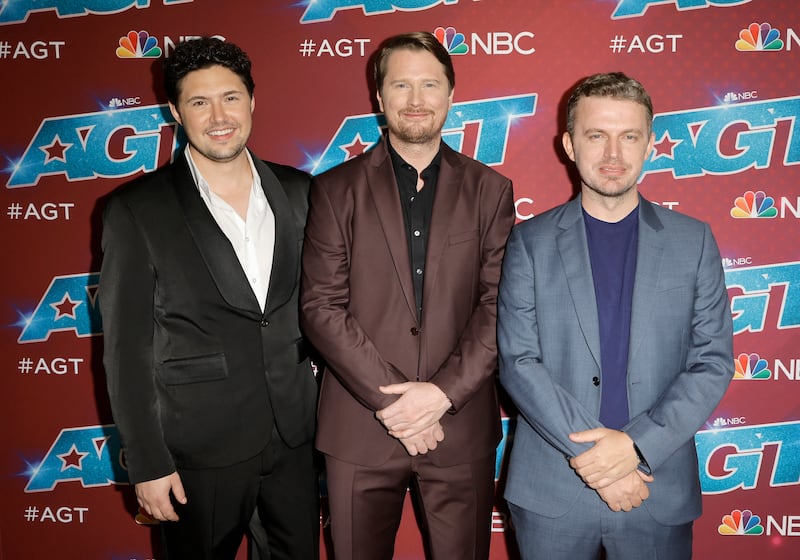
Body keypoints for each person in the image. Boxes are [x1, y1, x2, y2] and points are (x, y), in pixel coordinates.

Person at [497, 72, 734, 559]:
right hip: (552, 490)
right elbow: (518, 361)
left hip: (656, 487)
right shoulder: (530, 242)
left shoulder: (694, 241)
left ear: (650, 144)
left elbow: (712, 361)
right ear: (569, 144)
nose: (613, 154)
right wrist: (598, 457)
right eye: (596, 135)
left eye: (629, 137)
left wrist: (636, 448)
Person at [99, 37, 319, 560]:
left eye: (231, 98)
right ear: (175, 111)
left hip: (295, 437)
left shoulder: (301, 192)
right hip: (198, 447)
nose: (219, 116)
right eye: (199, 102)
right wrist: (148, 462)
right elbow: (126, 351)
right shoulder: (136, 209)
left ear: (251, 101)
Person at [300, 31, 515, 559]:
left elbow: (499, 305)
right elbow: (321, 307)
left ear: (449, 94)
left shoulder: (490, 190)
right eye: (401, 85)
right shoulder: (333, 190)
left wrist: (440, 395)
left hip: (458, 427)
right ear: (379, 96)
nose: (415, 100)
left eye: (429, 85)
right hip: (359, 426)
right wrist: (396, 403)